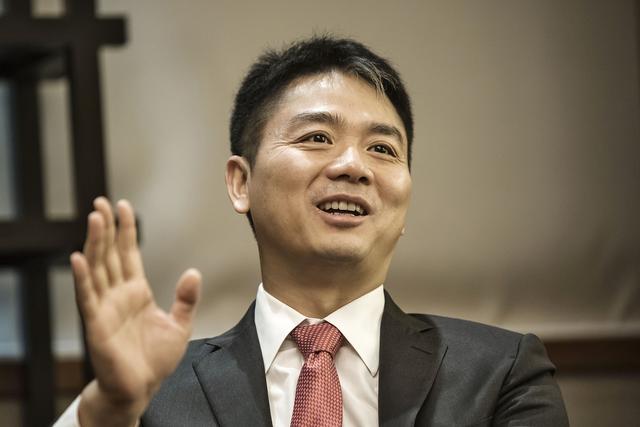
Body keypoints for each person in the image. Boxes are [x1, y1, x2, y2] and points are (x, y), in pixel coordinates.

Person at [55, 36, 569, 426]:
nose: (353, 166)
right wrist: (108, 408)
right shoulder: (151, 393)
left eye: (383, 149)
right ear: (241, 182)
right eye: (318, 137)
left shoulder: (500, 372)